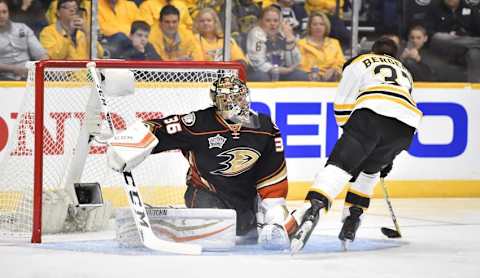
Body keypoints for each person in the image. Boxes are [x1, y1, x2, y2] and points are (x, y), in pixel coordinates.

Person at [106, 74, 298, 250]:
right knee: (219, 236)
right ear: (216, 102)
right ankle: (176, 225)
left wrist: (275, 214)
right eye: (226, 100)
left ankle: (257, 220)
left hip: (245, 198)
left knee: (248, 231)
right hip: (204, 192)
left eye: (239, 98)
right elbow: (158, 127)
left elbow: (271, 178)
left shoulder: (265, 128)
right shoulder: (197, 123)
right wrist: (131, 142)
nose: (235, 105)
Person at [291, 38, 423, 253]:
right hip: (406, 128)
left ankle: (313, 209)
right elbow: (404, 107)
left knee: (340, 165)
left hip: (372, 114)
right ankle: (353, 219)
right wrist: (386, 157)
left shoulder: (361, 61)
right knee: (370, 171)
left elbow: (343, 103)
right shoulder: (405, 71)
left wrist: (351, 140)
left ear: (373, 50)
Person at [246, 5, 307, 81]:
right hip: (259, 71)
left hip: (281, 71)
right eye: (268, 20)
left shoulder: (283, 33)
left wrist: (289, 39)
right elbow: (258, 63)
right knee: (263, 78)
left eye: (275, 21)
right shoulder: (256, 33)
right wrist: (277, 70)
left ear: (280, 22)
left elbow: (293, 63)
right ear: (261, 22)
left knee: (301, 76)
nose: (272, 23)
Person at [428, 0, 480, 82]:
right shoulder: (434, 8)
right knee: (438, 37)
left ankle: (475, 88)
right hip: (444, 44)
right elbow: (429, 32)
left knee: (475, 53)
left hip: (465, 48)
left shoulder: (470, 8)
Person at [0, 0, 47, 80]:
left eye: (4, 12)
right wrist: (14, 69)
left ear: (9, 13)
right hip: (3, 78)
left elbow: (40, 55)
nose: (1, 16)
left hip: (29, 76)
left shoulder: (23, 28)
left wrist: (42, 68)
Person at [39, 0, 103, 59]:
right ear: (58, 12)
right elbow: (55, 57)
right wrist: (68, 33)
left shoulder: (83, 32)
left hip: (86, 70)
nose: (72, 10)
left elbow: (99, 54)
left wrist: (87, 32)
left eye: (75, 8)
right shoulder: (47, 32)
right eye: (67, 7)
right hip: (63, 70)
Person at [297, 11, 345, 81]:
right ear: (309, 26)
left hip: (333, 79)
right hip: (310, 81)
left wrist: (333, 69)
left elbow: (341, 63)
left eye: (321, 24)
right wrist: (321, 73)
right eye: (315, 24)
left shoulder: (334, 43)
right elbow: (301, 67)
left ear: (326, 26)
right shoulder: (301, 44)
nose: (318, 27)